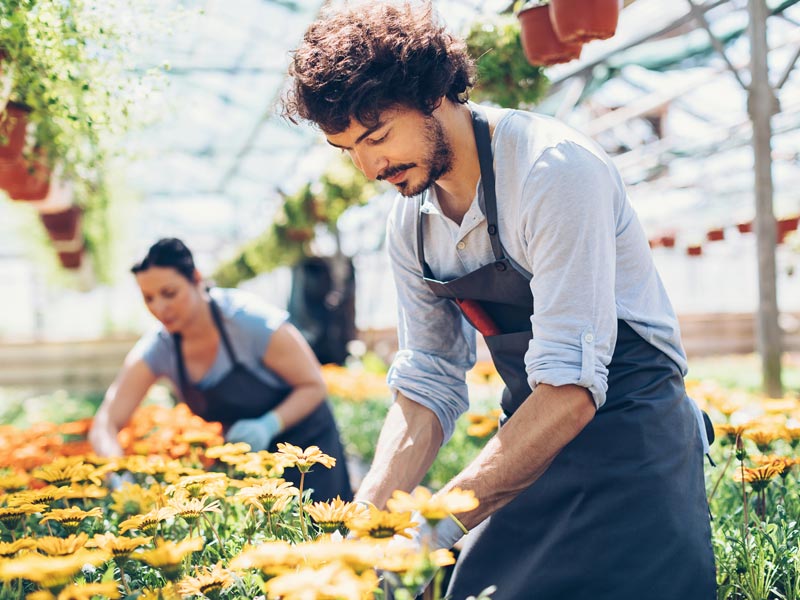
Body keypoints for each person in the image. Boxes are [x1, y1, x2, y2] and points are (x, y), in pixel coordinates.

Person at [283, 2, 715, 599]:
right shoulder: (411, 224)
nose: (369, 167)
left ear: (433, 92)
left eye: (377, 136)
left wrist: (430, 528)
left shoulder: (550, 171)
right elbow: (430, 381)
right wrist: (360, 531)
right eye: (348, 149)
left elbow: (569, 390)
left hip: (632, 440)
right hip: (530, 443)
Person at [88, 238, 352, 502]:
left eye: (169, 293)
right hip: (247, 463)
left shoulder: (249, 321)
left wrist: (268, 425)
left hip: (309, 454)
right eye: (148, 298)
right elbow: (105, 422)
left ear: (196, 278)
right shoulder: (160, 349)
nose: (159, 307)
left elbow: (314, 384)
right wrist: (118, 476)